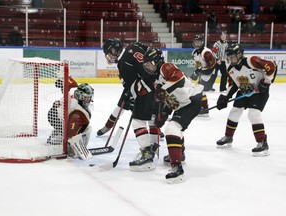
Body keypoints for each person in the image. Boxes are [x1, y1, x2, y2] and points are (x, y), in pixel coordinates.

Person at [143, 47, 204, 183]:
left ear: (156, 61)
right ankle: (179, 153)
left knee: (172, 129)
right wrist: (163, 115)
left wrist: (163, 90)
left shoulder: (166, 67)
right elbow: (170, 99)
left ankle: (177, 168)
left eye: (148, 64)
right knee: (174, 127)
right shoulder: (158, 78)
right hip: (182, 104)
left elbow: (178, 78)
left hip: (191, 101)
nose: (147, 67)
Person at [101, 38, 161, 171]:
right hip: (158, 87)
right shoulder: (134, 46)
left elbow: (133, 84)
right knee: (152, 119)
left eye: (109, 53)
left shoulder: (123, 62)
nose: (109, 56)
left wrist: (131, 94)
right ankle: (153, 148)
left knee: (138, 122)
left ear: (114, 49)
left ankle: (146, 155)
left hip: (146, 89)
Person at [215, 43, 277, 157]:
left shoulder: (251, 60)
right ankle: (228, 137)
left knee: (253, 114)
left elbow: (271, 66)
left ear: (240, 54)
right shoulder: (231, 69)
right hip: (244, 91)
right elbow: (233, 84)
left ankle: (262, 142)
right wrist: (226, 97)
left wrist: (266, 82)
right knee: (234, 112)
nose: (231, 58)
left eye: (233, 56)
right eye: (229, 56)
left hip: (259, 92)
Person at [47, 77, 94, 159]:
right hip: (55, 116)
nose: (88, 100)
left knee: (73, 126)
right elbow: (72, 133)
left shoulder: (75, 97)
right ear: (80, 96)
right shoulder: (76, 109)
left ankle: (57, 133)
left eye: (89, 97)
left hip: (55, 114)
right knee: (85, 129)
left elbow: (69, 82)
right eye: (86, 97)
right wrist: (71, 147)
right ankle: (66, 143)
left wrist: (63, 84)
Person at [190, 34, 216, 117]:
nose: (197, 44)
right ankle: (202, 107)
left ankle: (204, 108)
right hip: (202, 74)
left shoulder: (206, 52)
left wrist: (201, 72)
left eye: (199, 42)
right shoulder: (194, 52)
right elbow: (198, 66)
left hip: (209, 74)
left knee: (200, 91)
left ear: (202, 42)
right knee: (198, 90)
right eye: (196, 42)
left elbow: (212, 66)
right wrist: (196, 72)